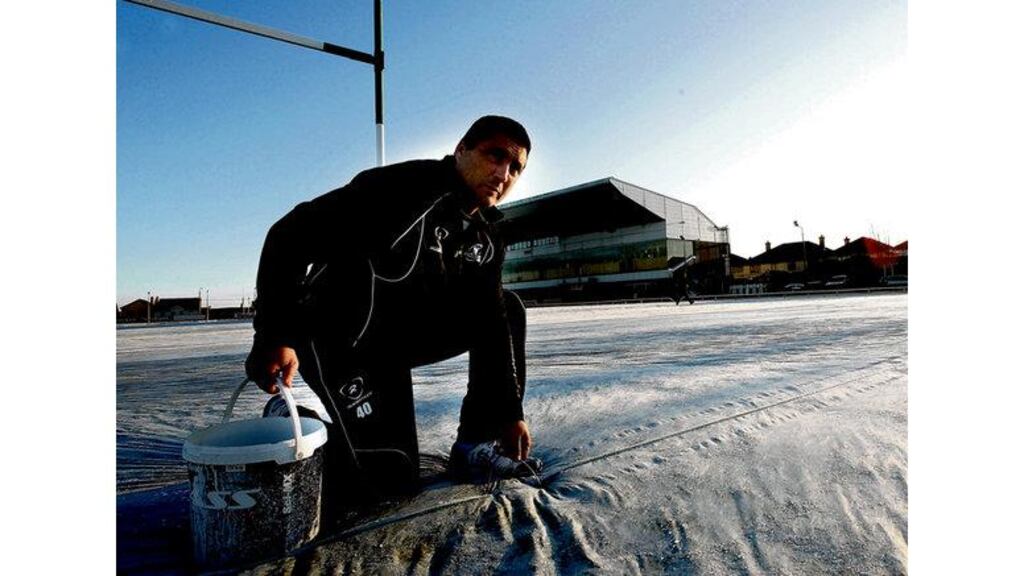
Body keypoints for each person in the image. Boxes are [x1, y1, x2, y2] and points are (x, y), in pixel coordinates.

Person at [245, 115, 539, 516]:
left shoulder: (487, 236)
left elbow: (490, 319)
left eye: (516, 168)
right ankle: (288, 417)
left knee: (506, 308)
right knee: (388, 482)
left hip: (394, 343)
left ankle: (475, 442)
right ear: (461, 151)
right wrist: (274, 335)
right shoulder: (399, 190)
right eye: (495, 155)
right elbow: (288, 236)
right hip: (337, 336)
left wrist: (508, 412)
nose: (503, 173)